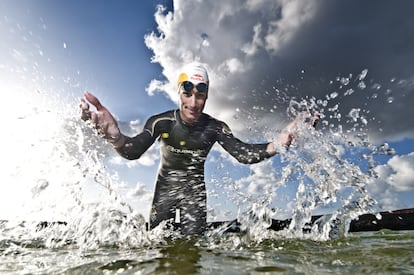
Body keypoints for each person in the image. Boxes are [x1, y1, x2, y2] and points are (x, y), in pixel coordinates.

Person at [80, 62, 318, 235]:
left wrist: (277, 143)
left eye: (200, 95)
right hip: (165, 190)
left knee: (192, 250)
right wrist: (115, 138)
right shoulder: (161, 123)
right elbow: (133, 151)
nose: (193, 103)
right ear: (179, 92)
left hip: (195, 193)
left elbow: (243, 154)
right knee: (153, 242)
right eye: (187, 93)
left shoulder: (214, 128)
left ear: (206, 96)